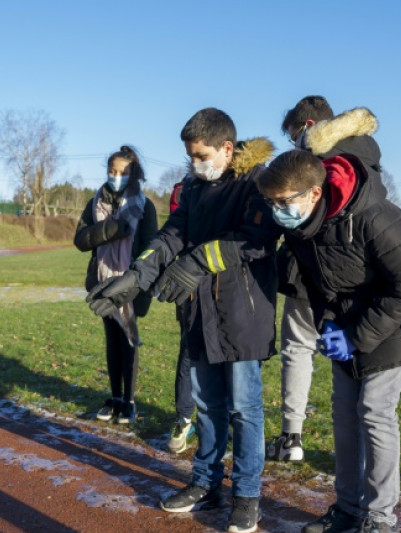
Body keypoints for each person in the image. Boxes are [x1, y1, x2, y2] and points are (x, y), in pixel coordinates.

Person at [87, 108, 278, 533]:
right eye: (190, 156)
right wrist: (136, 276)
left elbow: (257, 238)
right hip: (197, 311)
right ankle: (206, 483)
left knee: (245, 409)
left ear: (227, 149)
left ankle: (247, 494)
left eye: (200, 155)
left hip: (243, 313)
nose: (194, 163)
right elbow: (173, 232)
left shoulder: (257, 182)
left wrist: (196, 261)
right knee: (207, 406)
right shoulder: (193, 186)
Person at [256, 149, 401, 533]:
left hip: (395, 326)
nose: (277, 211)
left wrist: (357, 335)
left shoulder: (375, 218)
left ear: (313, 194)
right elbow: (318, 286)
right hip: (346, 325)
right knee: (344, 415)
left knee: (374, 412)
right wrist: (331, 326)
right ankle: (349, 509)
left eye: (283, 202)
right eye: (271, 203)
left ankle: (381, 520)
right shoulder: (301, 227)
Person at [267, 96, 386, 462]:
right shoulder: (369, 156)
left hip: (314, 269)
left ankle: (292, 437)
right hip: (362, 273)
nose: (294, 147)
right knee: (359, 359)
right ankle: (363, 452)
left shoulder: (316, 159)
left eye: (293, 138)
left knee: (298, 349)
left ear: (306, 127)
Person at [74, 145, 158, 424]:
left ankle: (130, 402)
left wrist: (138, 283)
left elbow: (151, 248)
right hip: (102, 280)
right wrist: (109, 229)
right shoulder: (95, 202)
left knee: (129, 339)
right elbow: (81, 240)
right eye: (112, 171)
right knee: (112, 339)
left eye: (123, 172)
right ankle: (115, 397)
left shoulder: (145, 206)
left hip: (130, 283)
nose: (116, 176)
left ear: (134, 174)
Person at [165, 177, 197, 454]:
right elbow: (176, 235)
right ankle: (184, 419)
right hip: (189, 287)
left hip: (231, 289)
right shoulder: (183, 189)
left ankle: (234, 419)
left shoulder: (242, 186)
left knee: (232, 359)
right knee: (188, 352)